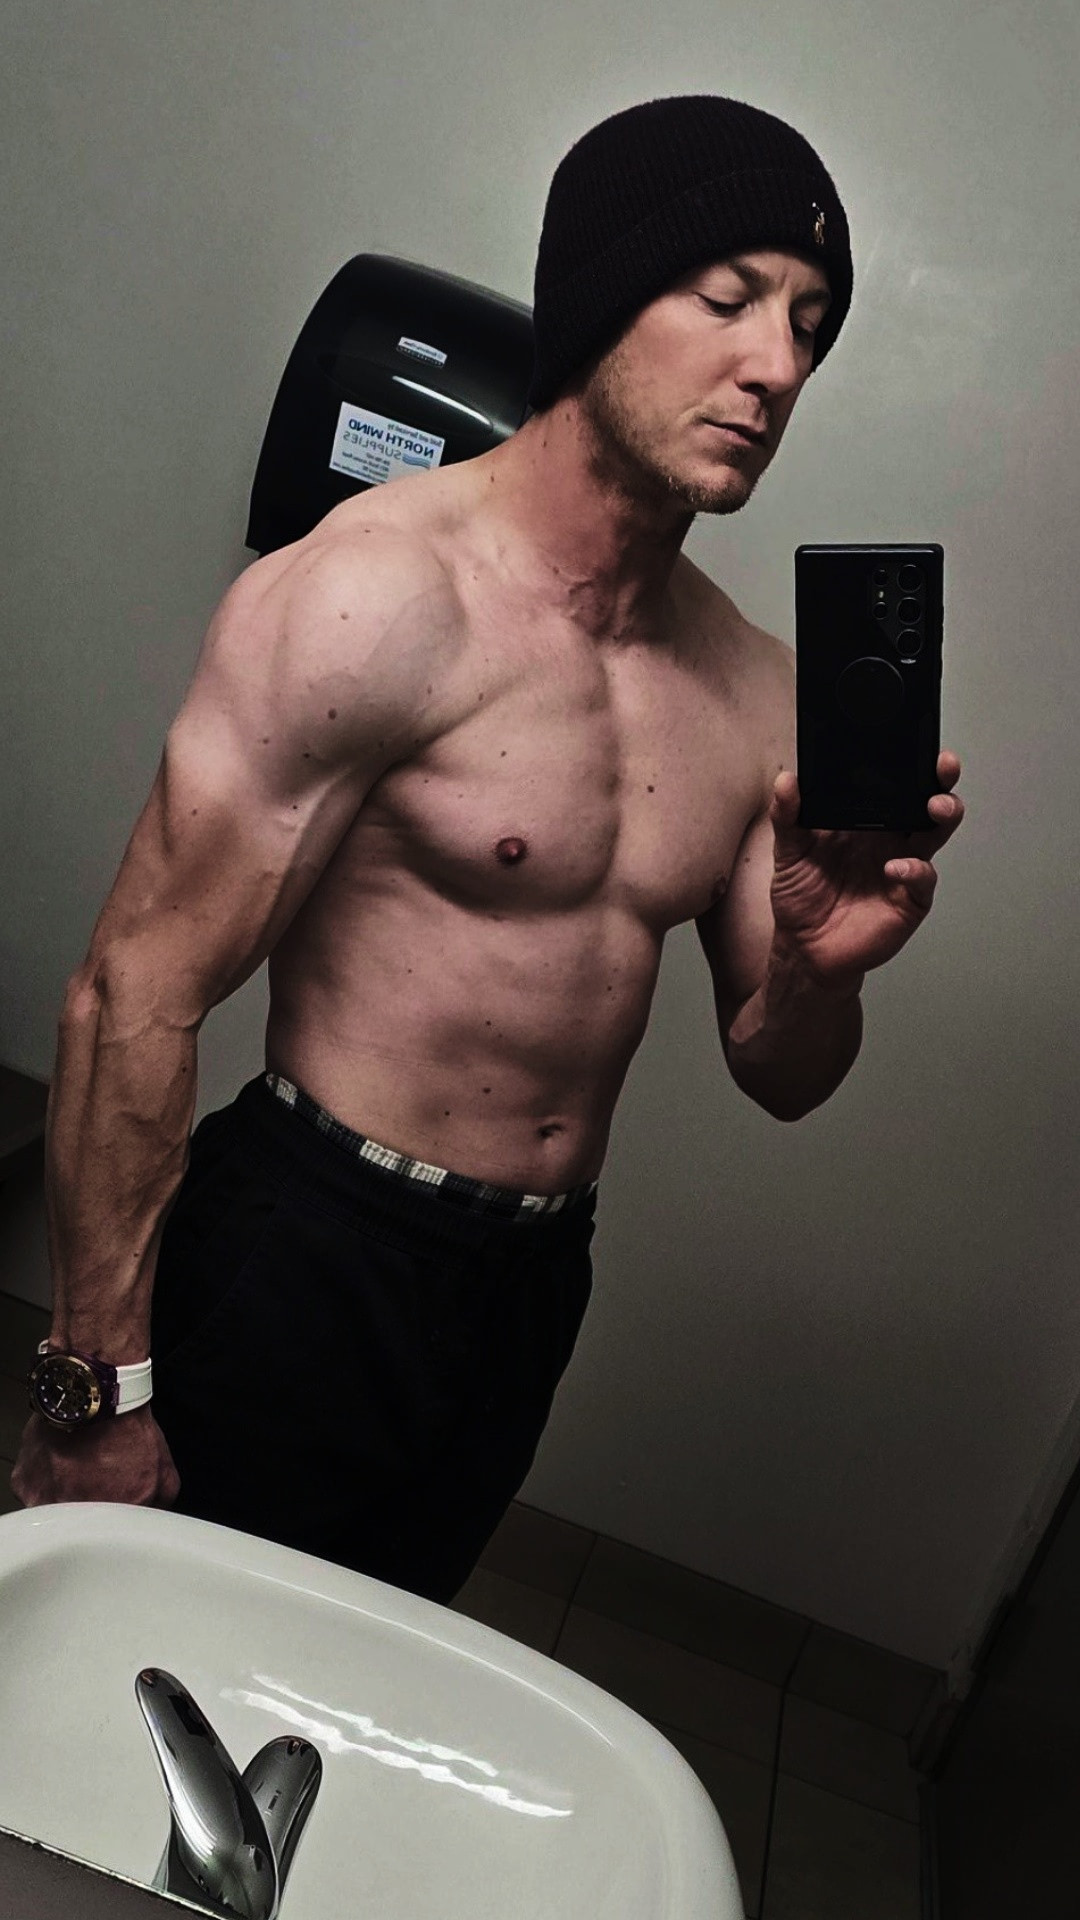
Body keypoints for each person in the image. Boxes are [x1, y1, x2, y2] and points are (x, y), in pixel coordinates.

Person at [12, 95, 964, 1602]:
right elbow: (132, 995)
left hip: (526, 1291)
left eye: (807, 325)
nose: (778, 366)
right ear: (598, 303)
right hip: (305, 1246)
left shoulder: (753, 692)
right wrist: (93, 1390)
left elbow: (782, 1075)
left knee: (360, 1689)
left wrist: (823, 971)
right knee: (153, 1670)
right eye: (727, 300)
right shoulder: (373, 600)